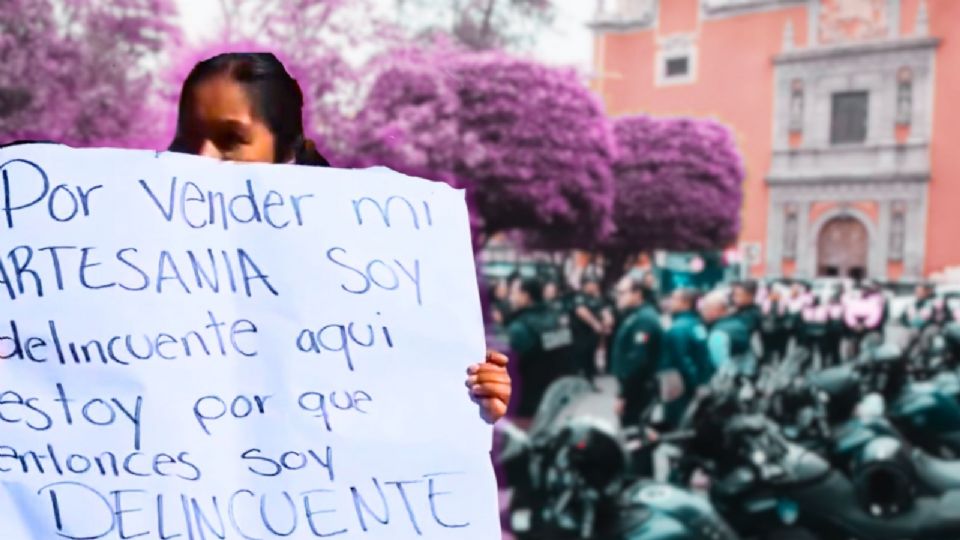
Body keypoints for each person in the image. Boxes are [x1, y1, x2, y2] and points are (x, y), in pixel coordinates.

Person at [169, 52, 511, 422]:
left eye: (231, 138)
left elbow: (403, 394)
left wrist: (477, 393)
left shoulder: (362, 267)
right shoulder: (135, 271)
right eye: (189, 140)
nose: (202, 157)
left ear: (284, 149)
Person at [506, 277, 575, 418]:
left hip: (525, 402)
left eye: (513, 292)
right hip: (555, 399)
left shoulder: (519, 328)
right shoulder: (557, 320)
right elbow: (567, 354)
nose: (510, 297)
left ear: (526, 295)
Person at [608, 274, 663, 427]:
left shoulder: (643, 319)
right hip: (636, 388)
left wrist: (624, 395)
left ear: (637, 294)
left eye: (622, 293)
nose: (617, 297)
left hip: (638, 390)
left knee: (634, 434)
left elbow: (637, 361)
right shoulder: (635, 316)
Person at [658, 288, 711, 428]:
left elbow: (683, 360)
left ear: (686, 303)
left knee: (678, 423)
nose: (670, 302)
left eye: (674, 299)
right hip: (696, 383)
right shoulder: (697, 324)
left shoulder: (678, 328)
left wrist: (693, 385)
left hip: (680, 387)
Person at [700, 290, 754, 377]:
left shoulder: (718, 333)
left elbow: (719, 366)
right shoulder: (740, 323)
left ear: (716, 309)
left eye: (705, 308)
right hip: (747, 375)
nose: (702, 312)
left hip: (729, 382)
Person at [569, 276, 611, 380]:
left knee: (590, 357)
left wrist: (607, 323)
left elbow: (604, 310)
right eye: (593, 284)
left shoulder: (596, 298)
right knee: (580, 358)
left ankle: (590, 378)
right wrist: (595, 324)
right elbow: (581, 311)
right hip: (580, 334)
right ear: (586, 285)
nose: (595, 286)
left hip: (592, 335)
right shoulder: (579, 297)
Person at [759, 282, 790, 364]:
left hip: (780, 329)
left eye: (777, 293)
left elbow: (786, 316)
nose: (775, 295)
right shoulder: (765, 303)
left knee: (781, 348)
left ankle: (780, 362)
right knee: (767, 348)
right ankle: (767, 362)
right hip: (767, 329)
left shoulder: (784, 303)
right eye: (773, 293)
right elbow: (762, 315)